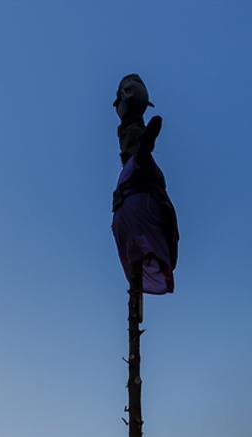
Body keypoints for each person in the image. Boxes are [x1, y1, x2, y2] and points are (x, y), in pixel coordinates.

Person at [111, 75, 179, 296]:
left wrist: (145, 143)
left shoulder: (140, 166)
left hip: (138, 206)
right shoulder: (133, 169)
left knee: (138, 155)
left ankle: (145, 261)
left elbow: (140, 148)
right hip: (131, 210)